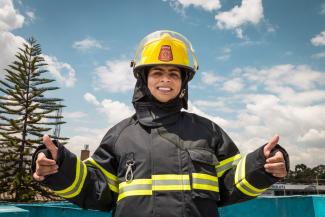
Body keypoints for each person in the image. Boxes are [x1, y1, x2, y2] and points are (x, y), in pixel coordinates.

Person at [32, 30, 289, 217]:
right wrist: (58, 166)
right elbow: (96, 191)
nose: (165, 80)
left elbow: (230, 184)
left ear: (183, 82)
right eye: (157, 72)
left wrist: (263, 164)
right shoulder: (119, 135)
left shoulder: (208, 132)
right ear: (143, 79)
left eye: (173, 73)